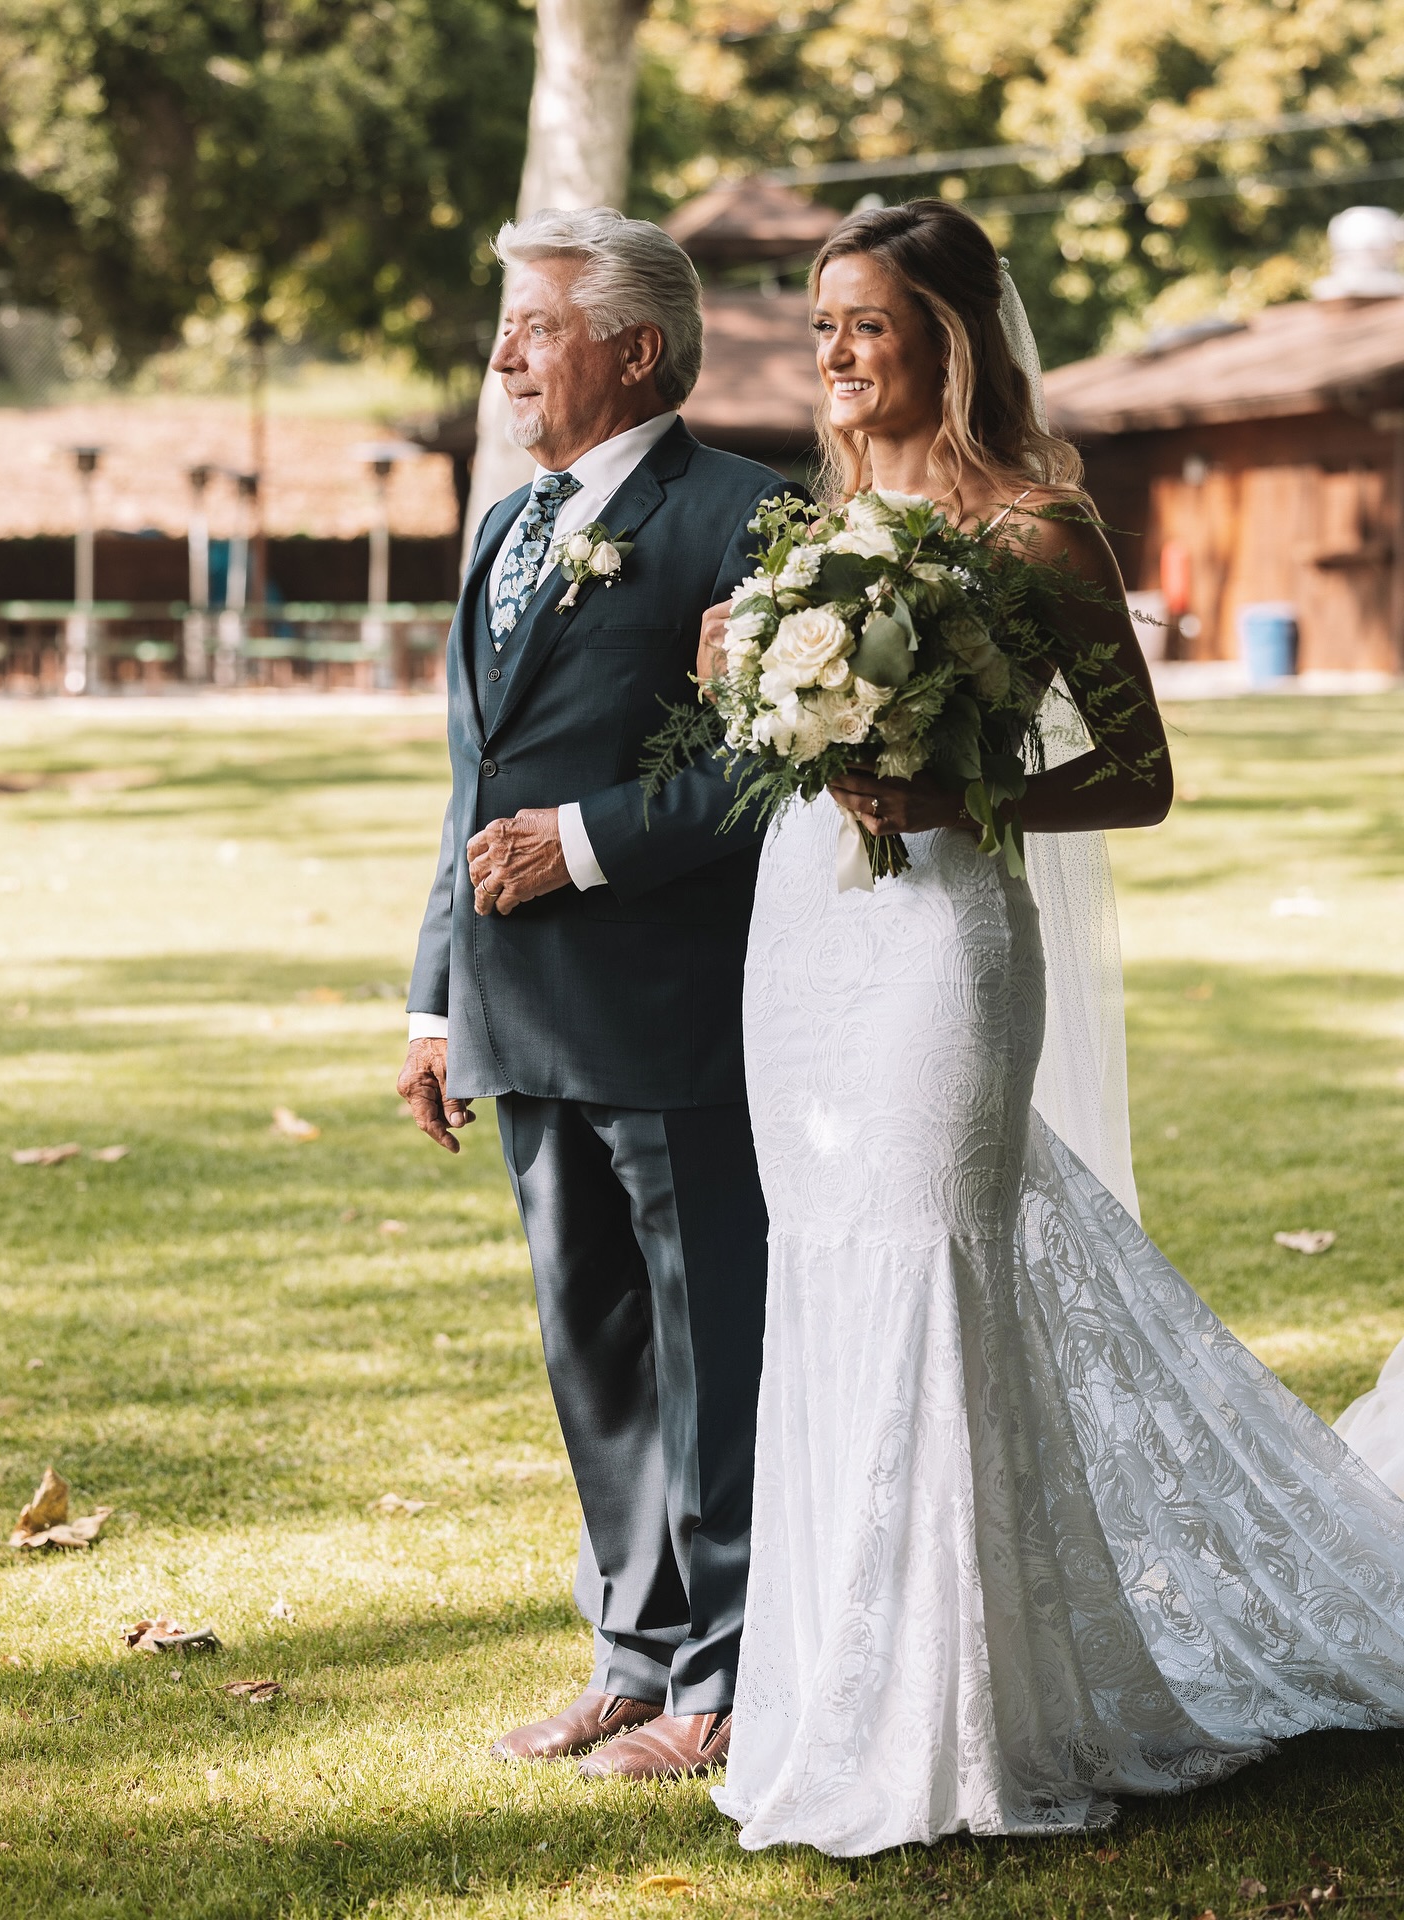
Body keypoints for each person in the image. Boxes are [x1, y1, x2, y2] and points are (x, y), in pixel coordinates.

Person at [704, 199, 1404, 1856]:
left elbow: (1138, 774)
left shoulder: (1035, 526)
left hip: (945, 943)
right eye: (823, 328)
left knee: (936, 1269)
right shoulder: (823, 525)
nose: (836, 357)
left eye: (868, 325)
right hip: (807, 935)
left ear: (947, 337)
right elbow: (775, 743)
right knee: (824, 1272)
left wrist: (965, 788)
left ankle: (959, 1722)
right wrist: (741, 663)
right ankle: (835, 1694)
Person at [398, 207, 804, 1782]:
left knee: (714, 1345)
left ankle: (727, 1670)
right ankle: (631, 1655)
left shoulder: (750, 520)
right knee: (594, 1350)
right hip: (521, 1009)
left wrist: (582, 845)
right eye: (506, 325)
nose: (505, 351)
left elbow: (776, 765)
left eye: (538, 326)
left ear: (635, 350)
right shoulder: (507, 527)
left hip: (676, 1006)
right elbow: (467, 786)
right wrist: (434, 1004)